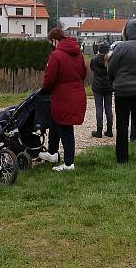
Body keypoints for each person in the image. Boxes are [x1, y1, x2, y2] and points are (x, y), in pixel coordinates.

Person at [38, 28, 87, 172]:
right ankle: (52, 153)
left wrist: (45, 89)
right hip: (77, 94)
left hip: (62, 96)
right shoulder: (78, 54)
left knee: (65, 129)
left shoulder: (56, 55)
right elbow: (83, 73)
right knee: (55, 122)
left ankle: (69, 163)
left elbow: (50, 78)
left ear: (54, 40)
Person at [107, 18, 136, 165]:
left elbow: (112, 68)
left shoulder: (121, 47)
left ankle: (122, 158)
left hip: (123, 91)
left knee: (122, 125)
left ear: (128, 31)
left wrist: (114, 80)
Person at [89, 42, 113, 138]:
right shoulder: (110, 60)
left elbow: (92, 68)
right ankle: (110, 130)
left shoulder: (94, 60)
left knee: (99, 108)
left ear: (99, 49)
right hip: (108, 86)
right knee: (108, 107)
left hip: (97, 86)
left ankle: (99, 131)